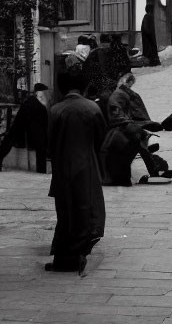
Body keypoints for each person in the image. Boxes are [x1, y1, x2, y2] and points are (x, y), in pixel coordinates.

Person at [46, 62, 106, 274]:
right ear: (83, 86)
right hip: (86, 167)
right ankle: (81, 251)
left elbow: (49, 144)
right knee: (85, 210)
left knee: (65, 213)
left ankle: (64, 257)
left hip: (62, 168)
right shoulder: (92, 108)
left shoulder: (55, 110)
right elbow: (101, 138)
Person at [100, 72, 172, 185]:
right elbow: (118, 117)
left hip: (120, 132)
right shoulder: (116, 98)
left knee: (137, 138)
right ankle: (152, 171)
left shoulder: (117, 96)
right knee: (137, 138)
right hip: (114, 171)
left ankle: (153, 170)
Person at [0, 82, 48, 173]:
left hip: (26, 128)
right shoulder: (34, 103)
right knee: (40, 148)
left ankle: (41, 170)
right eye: (44, 92)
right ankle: (41, 171)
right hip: (29, 129)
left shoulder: (33, 102)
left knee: (8, 141)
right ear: (39, 93)